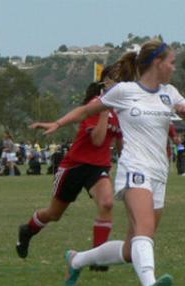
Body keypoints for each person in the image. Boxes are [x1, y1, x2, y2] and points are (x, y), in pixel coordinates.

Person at [30, 40, 185, 286]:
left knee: (130, 249)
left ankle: (77, 259)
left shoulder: (170, 93)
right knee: (144, 229)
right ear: (158, 63)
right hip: (134, 169)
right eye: (171, 61)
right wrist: (57, 122)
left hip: (159, 174)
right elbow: (87, 109)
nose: (174, 66)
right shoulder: (124, 91)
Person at [16, 68, 123, 272]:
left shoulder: (122, 110)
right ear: (105, 83)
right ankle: (27, 230)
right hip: (75, 166)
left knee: (107, 203)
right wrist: (103, 111)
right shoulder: (96, 105)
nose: (121, 84)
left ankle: (98, 257)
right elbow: (98, 139)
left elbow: (120, 142)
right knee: (54, 214)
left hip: (98, 167)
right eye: (116, 80)